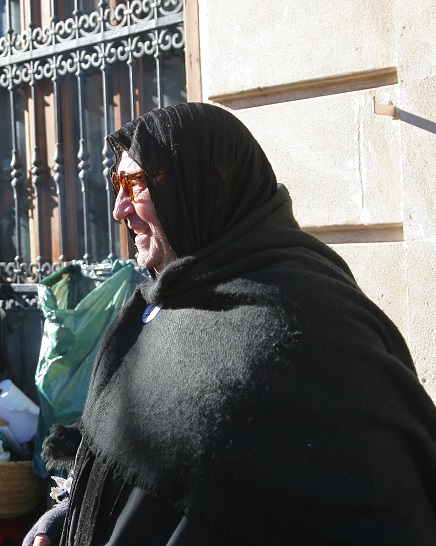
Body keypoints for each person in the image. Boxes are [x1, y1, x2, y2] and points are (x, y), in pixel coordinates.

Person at [25, 102, 436, 545]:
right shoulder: (164, 302)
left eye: (134, 183)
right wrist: (69, 517)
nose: (119, 209)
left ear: (208, 183)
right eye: (115, 183)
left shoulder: (304, 327)